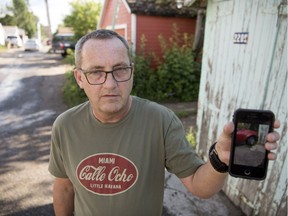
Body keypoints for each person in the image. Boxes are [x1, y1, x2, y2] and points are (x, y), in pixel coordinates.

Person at [48, 29, 280, 216]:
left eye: (119, 69)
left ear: (132, 71)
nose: (110, 84)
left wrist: (220, 160)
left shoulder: (161, 120)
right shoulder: (65, 126)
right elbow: (64, 187)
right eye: (96, 72)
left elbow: (200, 186)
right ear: (80, 78)